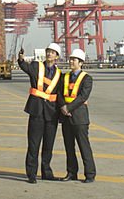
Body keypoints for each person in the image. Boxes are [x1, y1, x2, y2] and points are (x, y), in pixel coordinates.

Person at [17, 43, 63, 183]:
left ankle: (46, 172)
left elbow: (61, 94)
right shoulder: (37, 66)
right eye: (48, 51)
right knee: (34, 144)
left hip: (51, 114)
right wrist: (20, 59)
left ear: (57, 56)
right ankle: (31, 174)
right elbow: (25, 67)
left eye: (53, 52)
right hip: (36, 111)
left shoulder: (59, 75)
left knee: (48, 145)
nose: (49, 54)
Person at [59, 48, 96, 183]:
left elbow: (83, 96)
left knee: (84, 146)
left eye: (74, 60)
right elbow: (60, 93)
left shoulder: (87, 79)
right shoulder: (65, 77)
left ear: (81, 63)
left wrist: (68, 107)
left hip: (79, 118)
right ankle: (71, 172)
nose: (71, 62)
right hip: (66, 117)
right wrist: (63, 107)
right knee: (69, 147)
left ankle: (90, 174)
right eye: (71, 59)